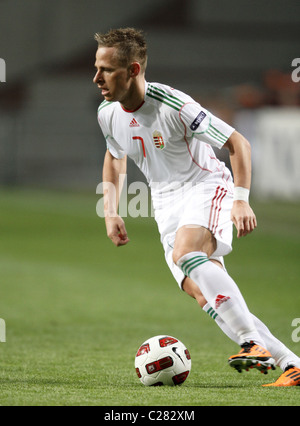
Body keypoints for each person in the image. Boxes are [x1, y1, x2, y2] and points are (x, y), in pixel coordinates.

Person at [93, 27, 300, 387]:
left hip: (205, 185)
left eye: (106, 69)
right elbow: (115, 158)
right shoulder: (108, 113)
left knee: (186, 254)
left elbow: (238, 143)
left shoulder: (173, 104)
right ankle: (292, 364)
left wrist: (240, 200)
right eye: (96, 68)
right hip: (165, 205)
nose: (97, 78)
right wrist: (111, 210)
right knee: (209, 295)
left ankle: (252, 344)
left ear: (134, 70)